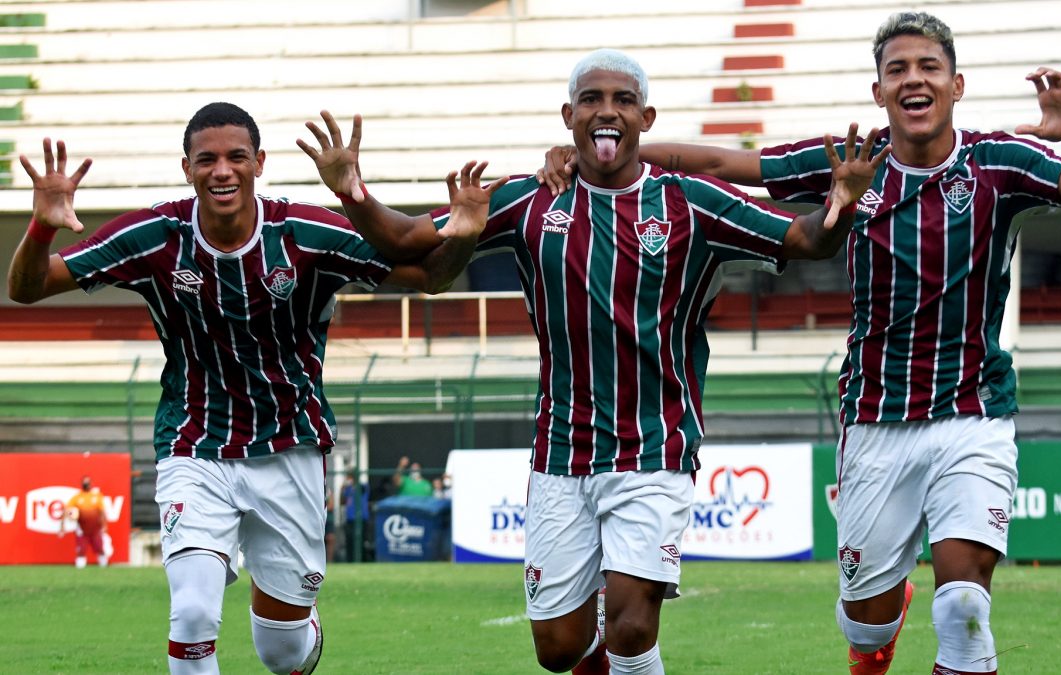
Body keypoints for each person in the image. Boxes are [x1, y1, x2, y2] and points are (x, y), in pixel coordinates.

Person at [542, 13, 1061, 675]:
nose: (914, 78)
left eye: (928, 67)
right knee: (864, 618)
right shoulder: (849, 162)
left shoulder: (998, 160)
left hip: (975, 414)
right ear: (878, 92)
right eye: (897, 70)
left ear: (956, 85)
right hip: (875, 420)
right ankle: (873, 637)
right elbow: (720, 163)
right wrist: (601, 153)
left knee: (964, 607)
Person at [299, 49, 885, 675]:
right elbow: (411, 245)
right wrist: (353, 192)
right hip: (560, 452)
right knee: (558, 649)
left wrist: (840, 206)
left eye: (623, 100)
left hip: (654, 445)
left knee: (632, 628)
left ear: (646, 117)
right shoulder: (526, 201)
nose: (607, 111)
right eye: (592, 100)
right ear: (568, 116)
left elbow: (801, 241)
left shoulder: (691, 202)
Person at [8, 101, 504, 674]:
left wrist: (462, 234)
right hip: (194, 445)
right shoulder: (153, 235)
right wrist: (42, 224)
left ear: (259, 163)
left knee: (281, 650)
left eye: (236, 157)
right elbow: (29, 288)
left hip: (290, 447)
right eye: (207, 160)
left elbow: (429, 277)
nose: (222, 170)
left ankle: (301, 626)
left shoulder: (303, 230)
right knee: (192, 616)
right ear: (187, 168)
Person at [60, 475, 109, 568]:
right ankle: (80, 567)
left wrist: (105, 525)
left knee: (99, 548)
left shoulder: (97, 496)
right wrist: (63, 524)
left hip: (95, 528)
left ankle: (104, 566)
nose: (86, 484)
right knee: (81, 549)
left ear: (91, 484)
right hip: (82, 528)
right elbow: (67, 510)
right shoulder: (77, 497)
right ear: (82, 484)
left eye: (88, 483)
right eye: (84, 483)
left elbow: (102, 512)